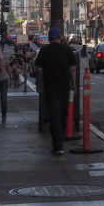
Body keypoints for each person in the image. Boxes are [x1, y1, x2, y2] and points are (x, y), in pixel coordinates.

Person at [34, 27, 78, 156]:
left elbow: (39, 70)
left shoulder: (44, 50)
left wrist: (39, 84)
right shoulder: (67, 50)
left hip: (50, 87)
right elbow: (73, 70)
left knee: (54, 116)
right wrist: (73, 85)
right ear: (60, 37)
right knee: (63, 114)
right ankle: (60, 140)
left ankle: (57, 145)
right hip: (64, 87)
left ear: (49, 38)